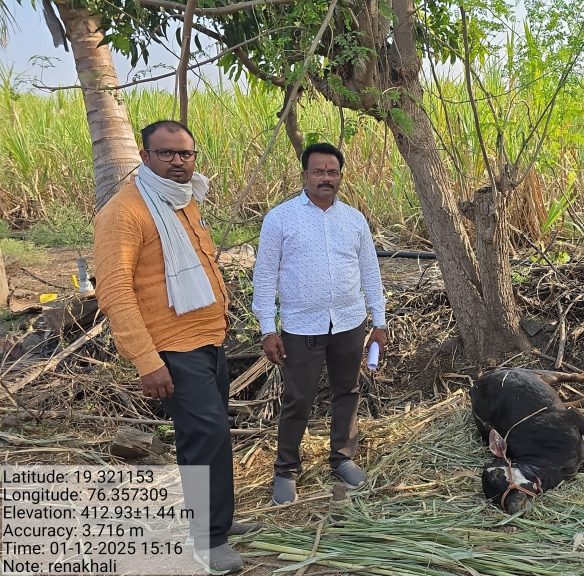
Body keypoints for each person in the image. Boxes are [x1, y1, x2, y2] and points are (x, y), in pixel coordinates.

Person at [94, 120, 251, 574]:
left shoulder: (182, 202)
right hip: (172, 349)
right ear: (145, 158)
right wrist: (146, 360)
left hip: (208, 339)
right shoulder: (125, 212)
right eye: (166, 154)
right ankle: (208, 539)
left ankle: (214, 518)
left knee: (206, 436)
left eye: (185, 154)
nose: (177, 162)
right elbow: (116, 291)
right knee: (207, 434)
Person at [253, 142, 387, 506]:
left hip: (348, 321)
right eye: (318, 172)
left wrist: (379, 320)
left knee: (348, 391)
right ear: (304, 175)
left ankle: (342, 458)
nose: (326, 178)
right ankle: (286, 470)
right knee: (298, 398)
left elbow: (370, 272)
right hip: (301, 326)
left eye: (332, 172)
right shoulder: (280, 219)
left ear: (340, 176)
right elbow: (264, 276)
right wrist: (268, 327)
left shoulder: (354, 219)